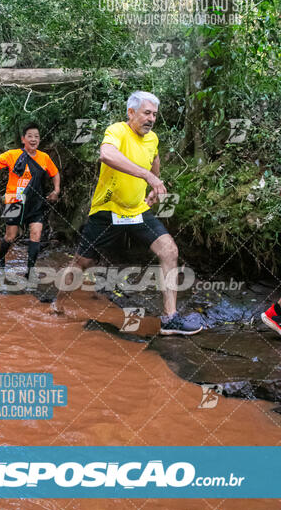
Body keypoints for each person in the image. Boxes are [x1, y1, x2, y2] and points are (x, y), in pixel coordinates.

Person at [57, 91, 203, 336]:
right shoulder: (117, 131)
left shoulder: (153, 138)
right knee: (83, 262)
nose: (151, 119)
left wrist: (155, 182)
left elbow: (154, 157)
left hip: (137, 210)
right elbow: (107, 154)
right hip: (107, 210)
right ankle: (57, 304)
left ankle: (170, 319)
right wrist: (147, 176)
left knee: (170, 250)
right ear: (131, 112)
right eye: (147, 113)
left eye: (155, 114)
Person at [0, 124, 60, 276]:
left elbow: (55, 173)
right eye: (30, 136)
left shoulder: (44, 158)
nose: (33, 139)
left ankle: (30, 271)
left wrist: (56, 190)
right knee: (10, 236)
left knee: (36, 234)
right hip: (14, 200)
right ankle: (0, 259)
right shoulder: (13, 154)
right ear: (23, 139)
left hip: (35, 202)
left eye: (36, 136)